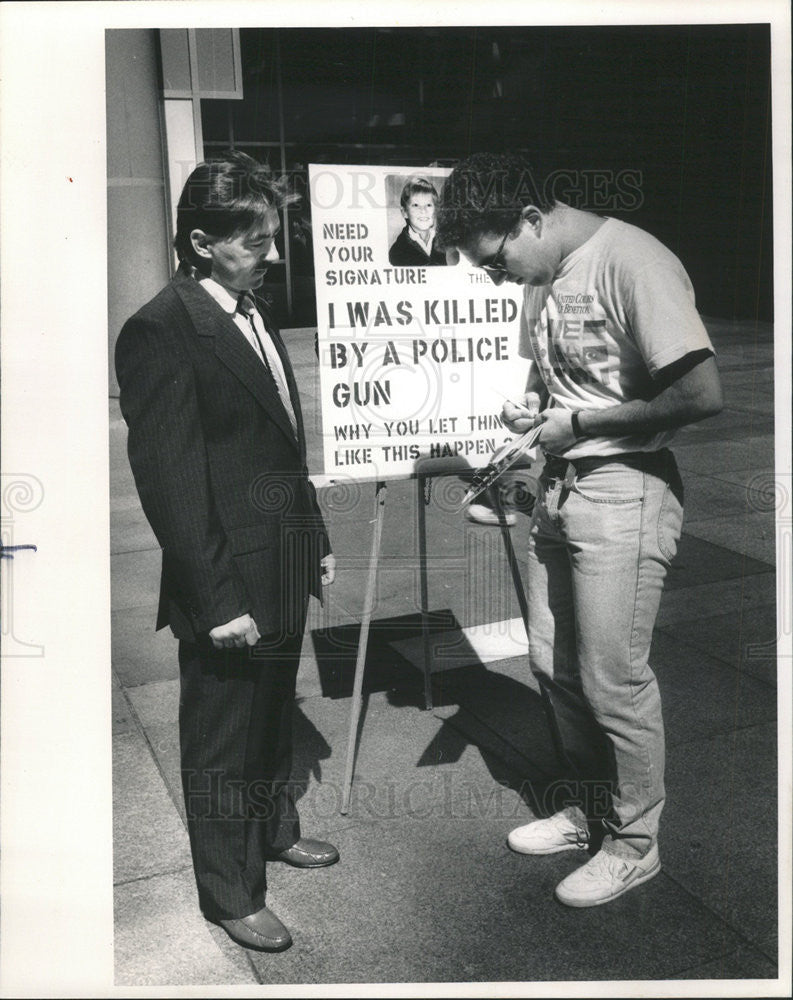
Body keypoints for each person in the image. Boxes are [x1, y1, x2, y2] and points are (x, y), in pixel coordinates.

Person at [436, 152, 723, 907]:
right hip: (560, 487)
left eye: (496, 260)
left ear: (531, 218)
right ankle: (589, 809)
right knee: (552, 664)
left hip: (624, 490)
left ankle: (634, 844)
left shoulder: (632, 260)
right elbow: (552, 379)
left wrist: (583, 423)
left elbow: (700, 392)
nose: (498, 279)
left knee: (611, 679)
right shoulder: (540, 274)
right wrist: (533, 413)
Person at [115, 152, 338, 952]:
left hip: (279, 559)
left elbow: (280, 440)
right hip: (228, 585)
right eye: (256, 241)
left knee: (272, 718)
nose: (272, 255)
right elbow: (171, 483)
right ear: (203, 242)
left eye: (273, 237)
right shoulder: (159, 330)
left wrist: (313, 539)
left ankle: (274, 830)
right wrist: (217, 603)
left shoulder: (248, 309)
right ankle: (231, 891)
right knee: (221, 742)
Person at [388, 175, 448, 266]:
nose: (423, 211)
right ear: (404, 212)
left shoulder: (444, 242)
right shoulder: (397, 251)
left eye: (428, 205)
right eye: (416, 205)